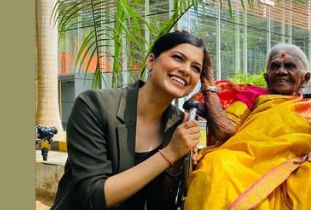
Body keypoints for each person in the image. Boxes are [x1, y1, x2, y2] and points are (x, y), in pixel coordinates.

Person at [52, 31, 214, 210]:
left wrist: (177, 167)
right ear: (151, 61)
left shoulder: (178, 126)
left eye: (196, 68)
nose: (185, 70)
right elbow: (94, 196)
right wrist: (170, 154)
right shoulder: (94, 106)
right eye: (178, 57)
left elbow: (162, 203)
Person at [184, 44, 311, 209]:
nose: (281, 71)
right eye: (275, 66)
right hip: (244, 162)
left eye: (289, 66)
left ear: (305, 78)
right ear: (267, 77)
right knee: (217, 163)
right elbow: (224, 131)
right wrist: (208, 81)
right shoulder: (251, 98)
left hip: (294, 166)